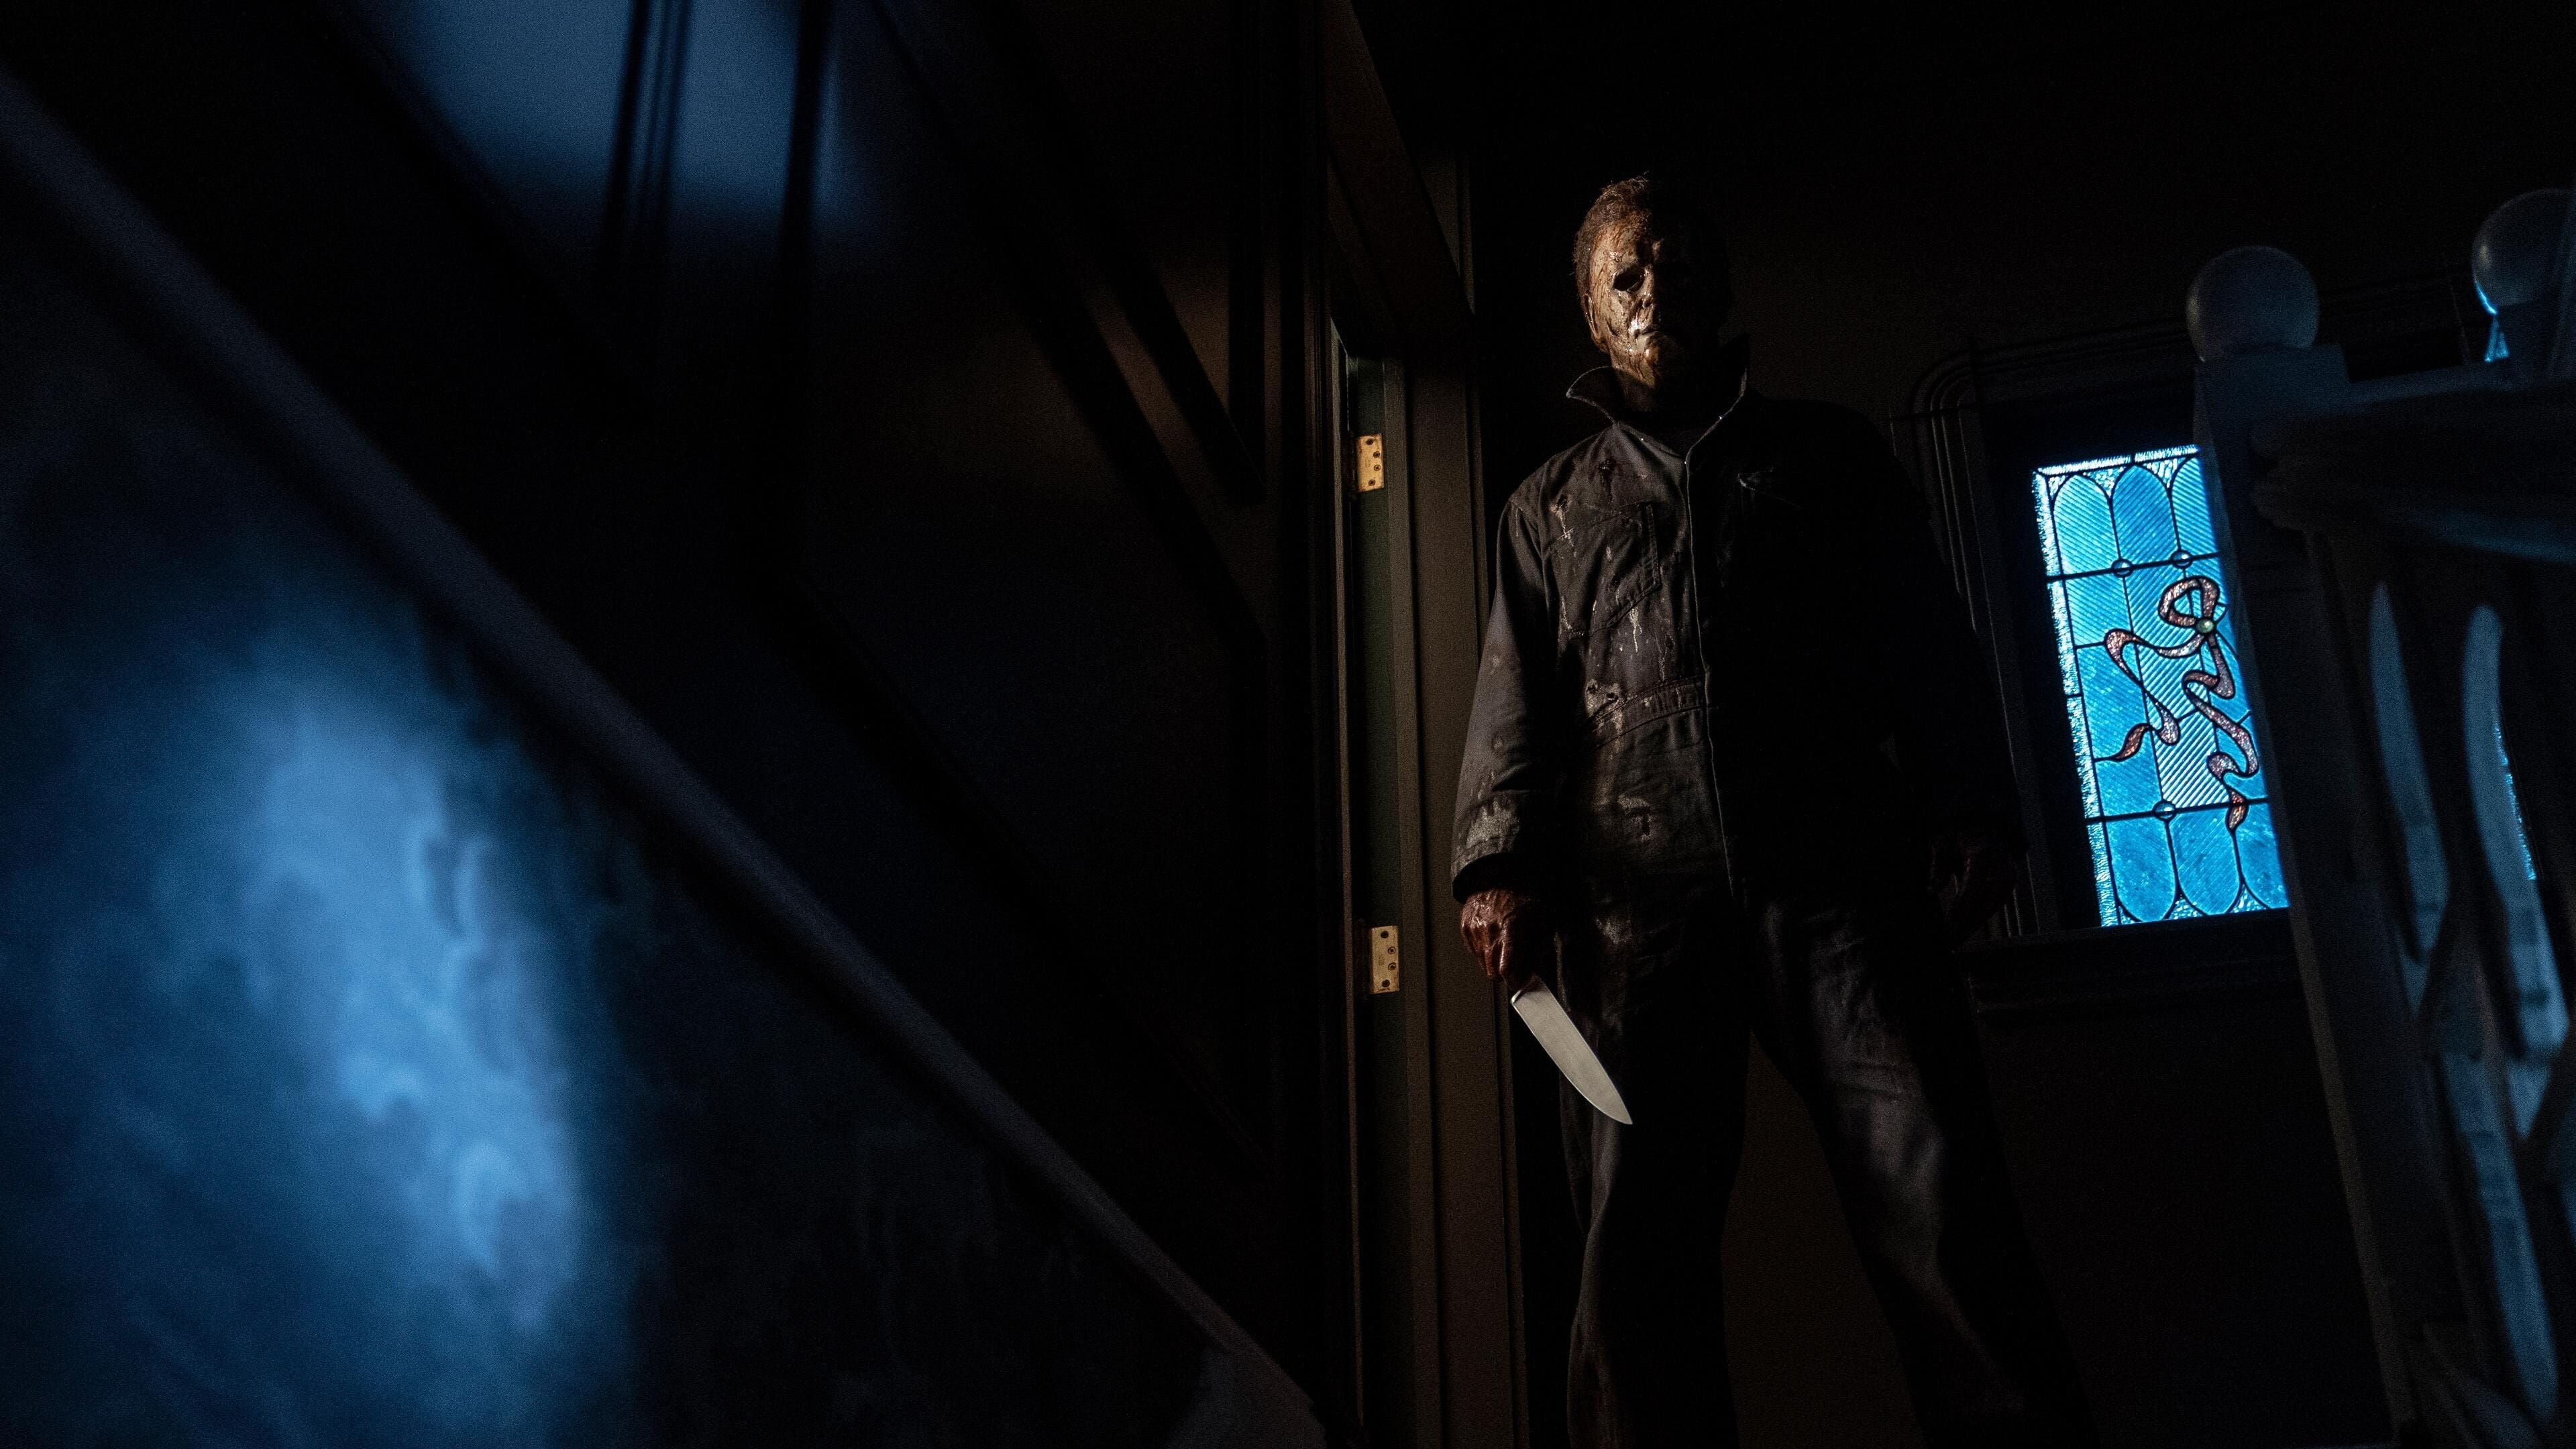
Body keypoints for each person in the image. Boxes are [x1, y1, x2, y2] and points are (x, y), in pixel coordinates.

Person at [1452, 174, 2095, 1448]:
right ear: (1592, 314)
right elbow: (1514, 700)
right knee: (1636, 1247)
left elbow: (1929, 642)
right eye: (1626, 274)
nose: (1656, 291)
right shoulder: (1548, 509)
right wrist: (1496, 863)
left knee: (1941, 1199)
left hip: (1842, 872)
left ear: (1725, 286)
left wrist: (1975, 804)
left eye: (1679, 264)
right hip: (1634, 905)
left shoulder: (1832, 457)